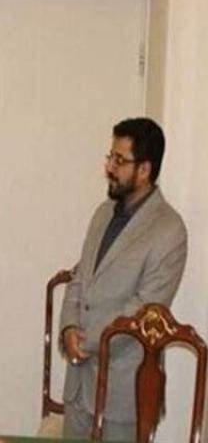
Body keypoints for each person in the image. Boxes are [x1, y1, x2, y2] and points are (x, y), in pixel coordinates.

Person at [60, 117, 187, 441]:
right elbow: (80, 278)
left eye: (120, 160)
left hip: (124, 394)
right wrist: (68, 328)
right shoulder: (103, 213)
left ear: (144, 170)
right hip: (79, 386)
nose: (109, 167)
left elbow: (145, 310)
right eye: (110, 157)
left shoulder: (169, 230)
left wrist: (86, 342)